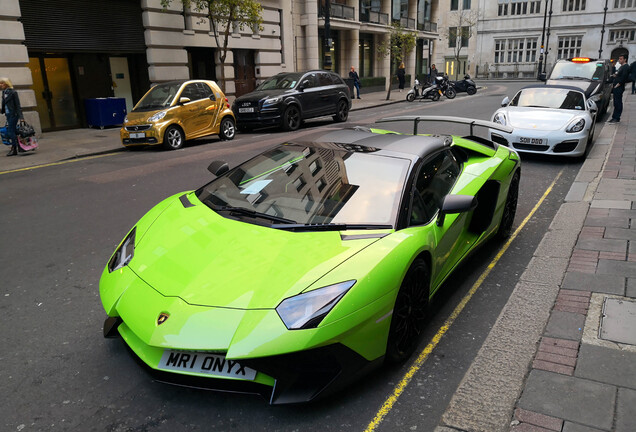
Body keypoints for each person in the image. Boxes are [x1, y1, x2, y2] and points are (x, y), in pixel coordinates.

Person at [0, 77, 25, 156]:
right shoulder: (4, 92)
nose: (0, 85)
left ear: (7, 84)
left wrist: (21, 117)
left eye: (2, 83)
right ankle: (21, 145)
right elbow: (5, 104)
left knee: (10, 131)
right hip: (8, 114)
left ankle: (14, 149)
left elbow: (18, 105)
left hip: (14, 114)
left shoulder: (13, 92)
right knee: (13, 131)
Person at [608, 54, 630, 123]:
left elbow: (624, 77)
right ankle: (614, 117)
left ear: (625, 59)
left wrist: (618, 84)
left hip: (619, 87)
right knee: (615, 102)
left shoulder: (626, 67)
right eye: (619, 59)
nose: (619, 60)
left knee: (618, 102)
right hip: (616, 86)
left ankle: (616, 117)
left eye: (621, 59)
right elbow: (619, 75)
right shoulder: (621, 67)